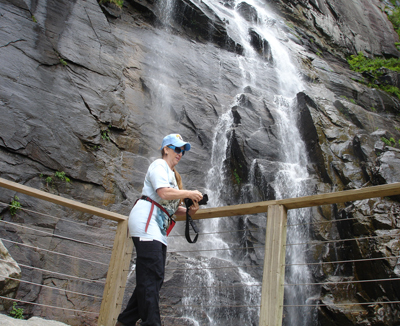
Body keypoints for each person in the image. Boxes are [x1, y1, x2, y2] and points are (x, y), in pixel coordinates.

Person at [116, 133, 203, 326]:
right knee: (152, 277)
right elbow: (163, 193)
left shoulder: (172, 175)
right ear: (166, 149)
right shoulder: (159, 165)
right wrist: (188, 193)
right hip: (147, 224)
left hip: (157, 229)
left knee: (153, 278)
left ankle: (124, 321)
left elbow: (171, 208)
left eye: (183, 151)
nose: (180, 153)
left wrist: (190, 210)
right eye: (177, 148)